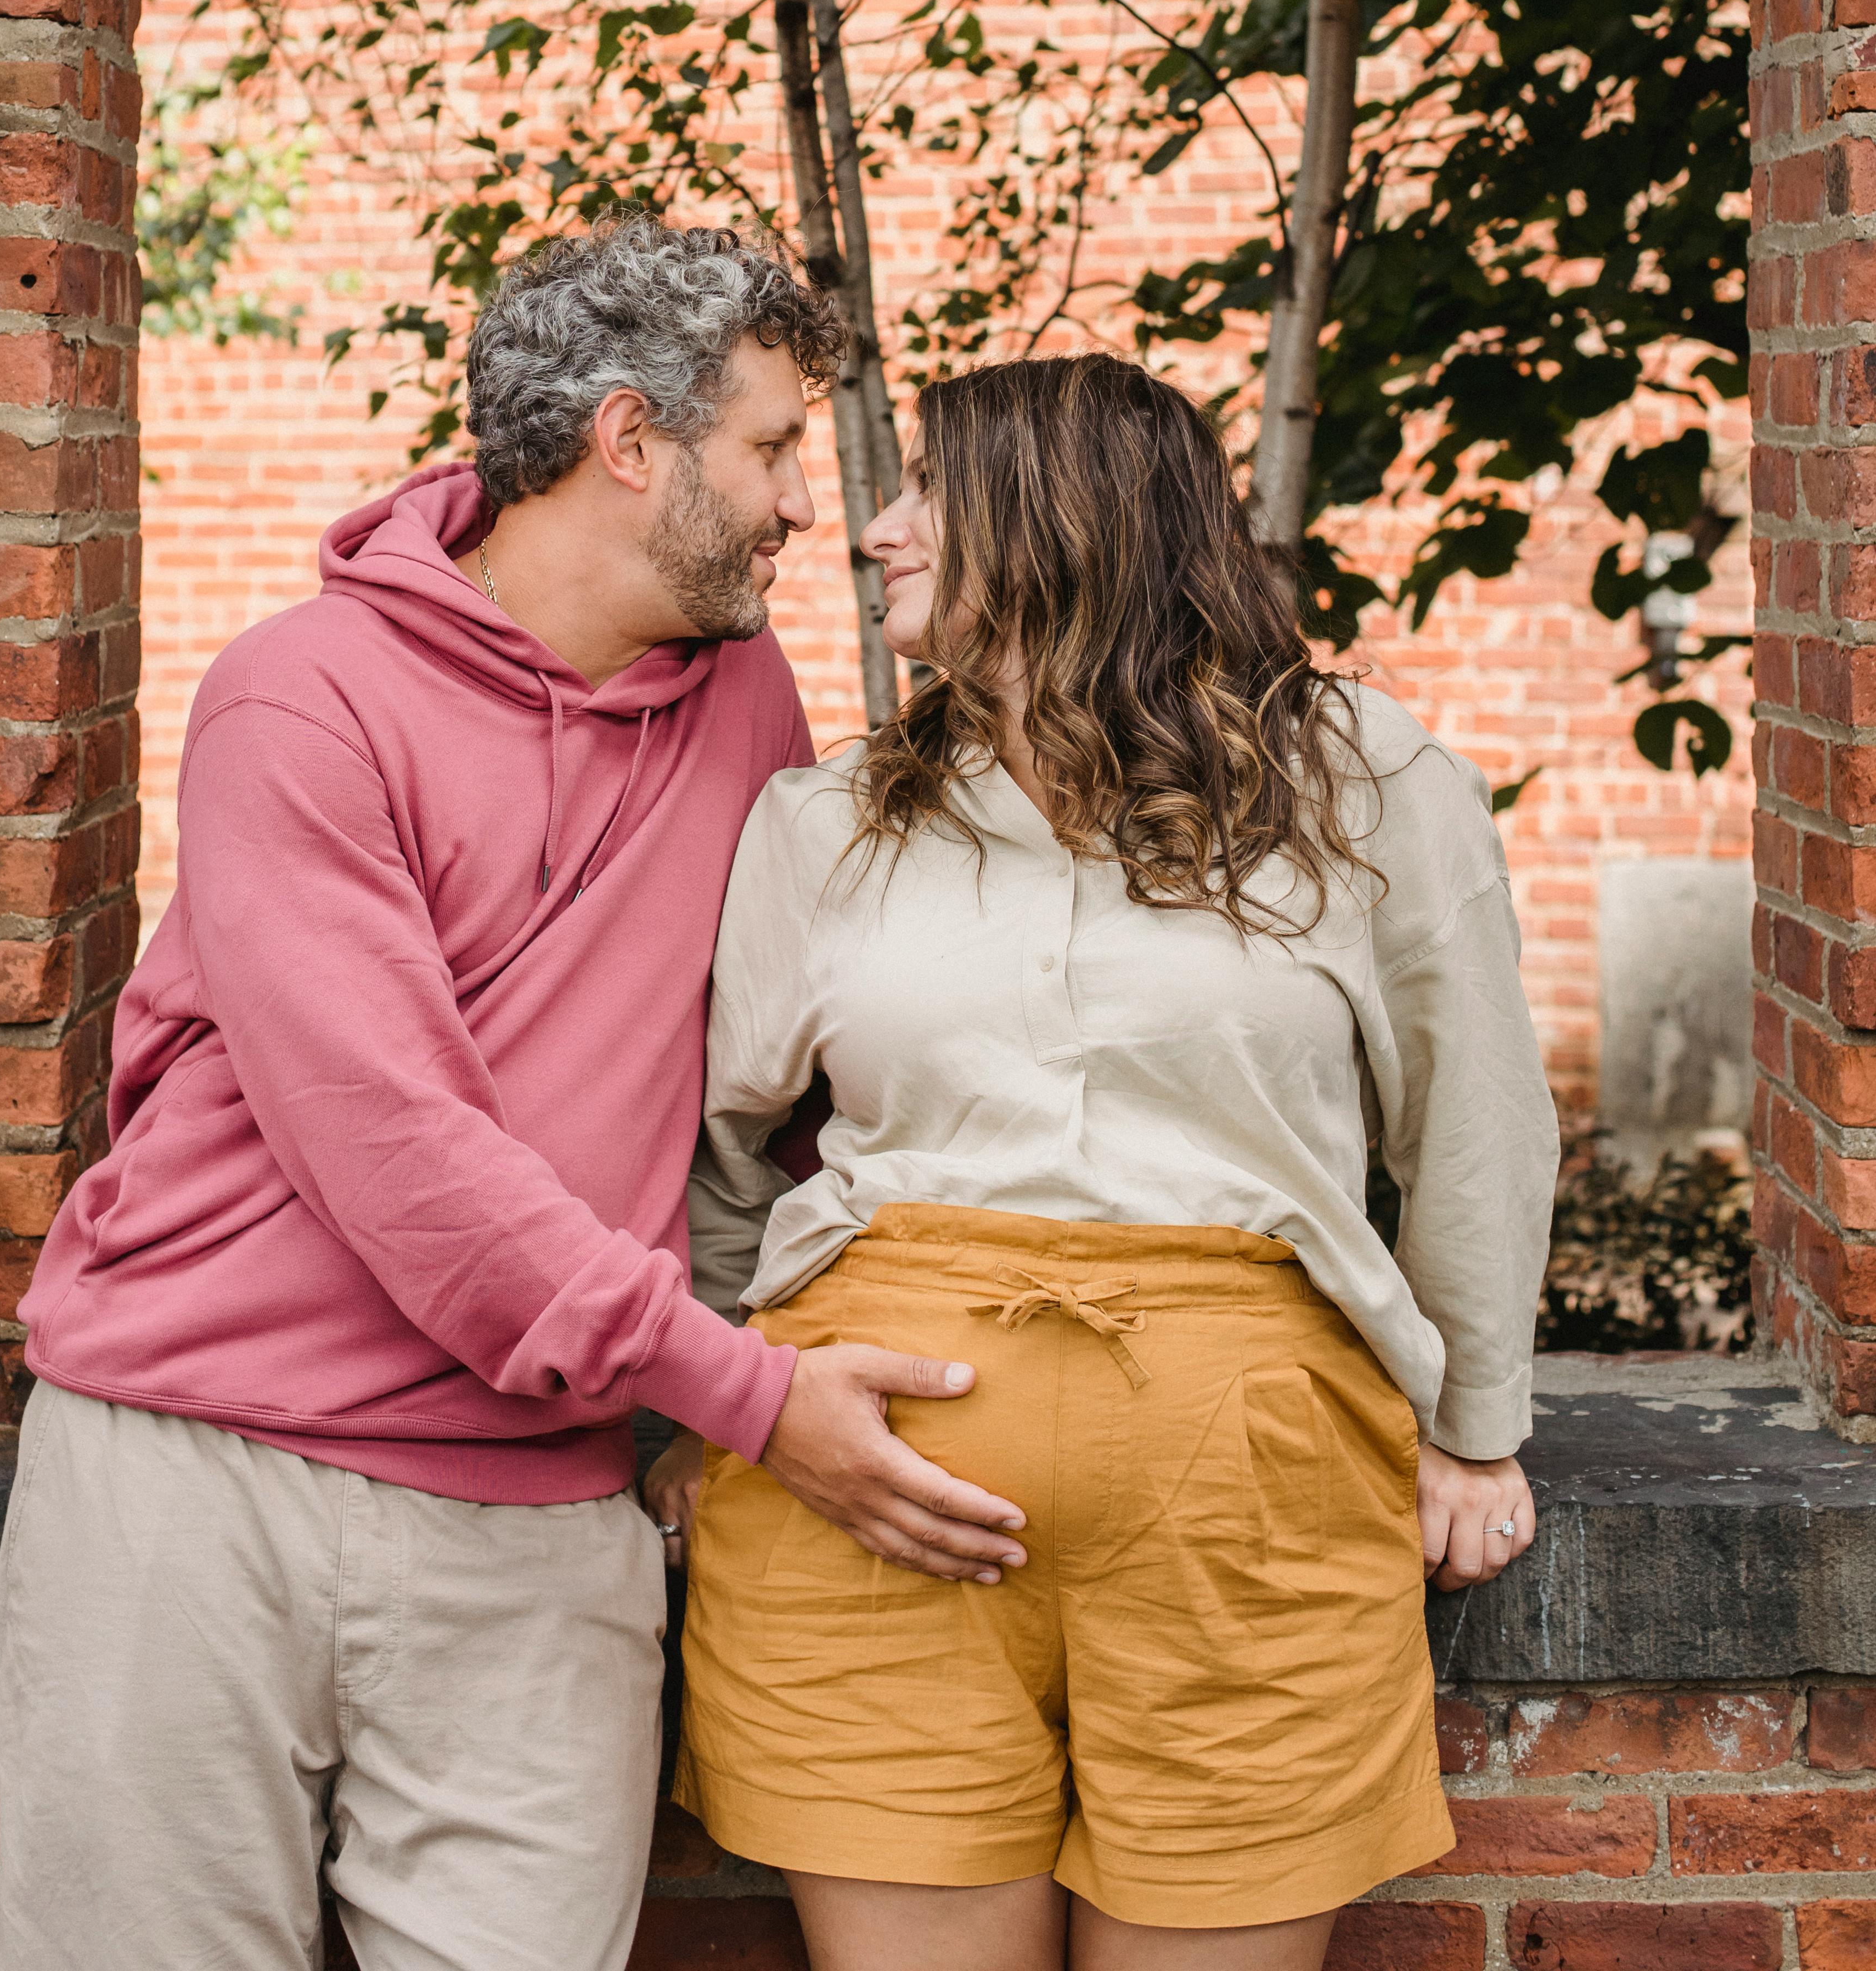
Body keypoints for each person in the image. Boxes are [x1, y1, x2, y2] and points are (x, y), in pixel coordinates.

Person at [0, 218, 1029, 1971]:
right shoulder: (300, 702)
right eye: (773, 446)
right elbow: (395, 1149)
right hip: (191, 1486)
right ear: (632, 442)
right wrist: (752, 1397)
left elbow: (788, 1092)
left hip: (542, 1518)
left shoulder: (748, 705)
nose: (804, 505)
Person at [650, 353, 1561, 1971]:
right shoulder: (832, 821)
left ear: (1066, 520)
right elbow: (724, 1153)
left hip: (1249, 1518)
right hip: (863, 1521)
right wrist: (712, 1409)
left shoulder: (1358, 785)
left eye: (933, 490)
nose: (879, 528)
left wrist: (1477, 1426)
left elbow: (1474, 1118)